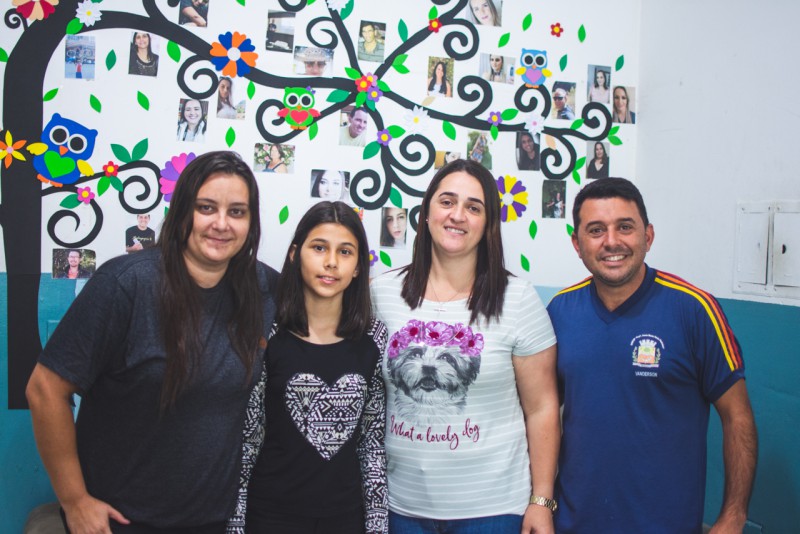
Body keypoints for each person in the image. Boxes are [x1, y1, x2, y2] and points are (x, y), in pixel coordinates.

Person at [26, 151, 279, 532]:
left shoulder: (262, 287)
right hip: (119, 520)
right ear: (181, 212)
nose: (221, 224)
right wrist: (74, 500)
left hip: (212, 520)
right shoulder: (126, 283)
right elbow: (45, 389)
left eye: (237, 212)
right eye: (206, 208)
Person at [547, 177, 757, 533]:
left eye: (625, 227)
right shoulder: (559, 311)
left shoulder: (695, 310)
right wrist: (540, 502)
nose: (611, 241)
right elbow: (540, 414)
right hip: (572, 522)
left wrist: (734, 515)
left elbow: (737, 416)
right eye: (596, 230)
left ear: (648, 235)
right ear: (577, 244)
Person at [371, 159, 560, 532]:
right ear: (426, 213)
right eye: (447, 202)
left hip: (493, 511)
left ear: (488, 225)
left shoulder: (518, 299)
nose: (457, 215)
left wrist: (541, 500)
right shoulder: (381, 294)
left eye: (473, 207)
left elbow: (542, 407)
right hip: (401, 507)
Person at [239, 201, 388, 533]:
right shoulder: (268, 334)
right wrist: (236, 523)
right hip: (270, 517)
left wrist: (377, 525)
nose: (331, 262)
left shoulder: (375, 339)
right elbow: (248, 441)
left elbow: (371, 444)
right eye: (319, 247)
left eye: (345, 252)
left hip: (346, 519)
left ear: (359, 266)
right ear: (295, 255)